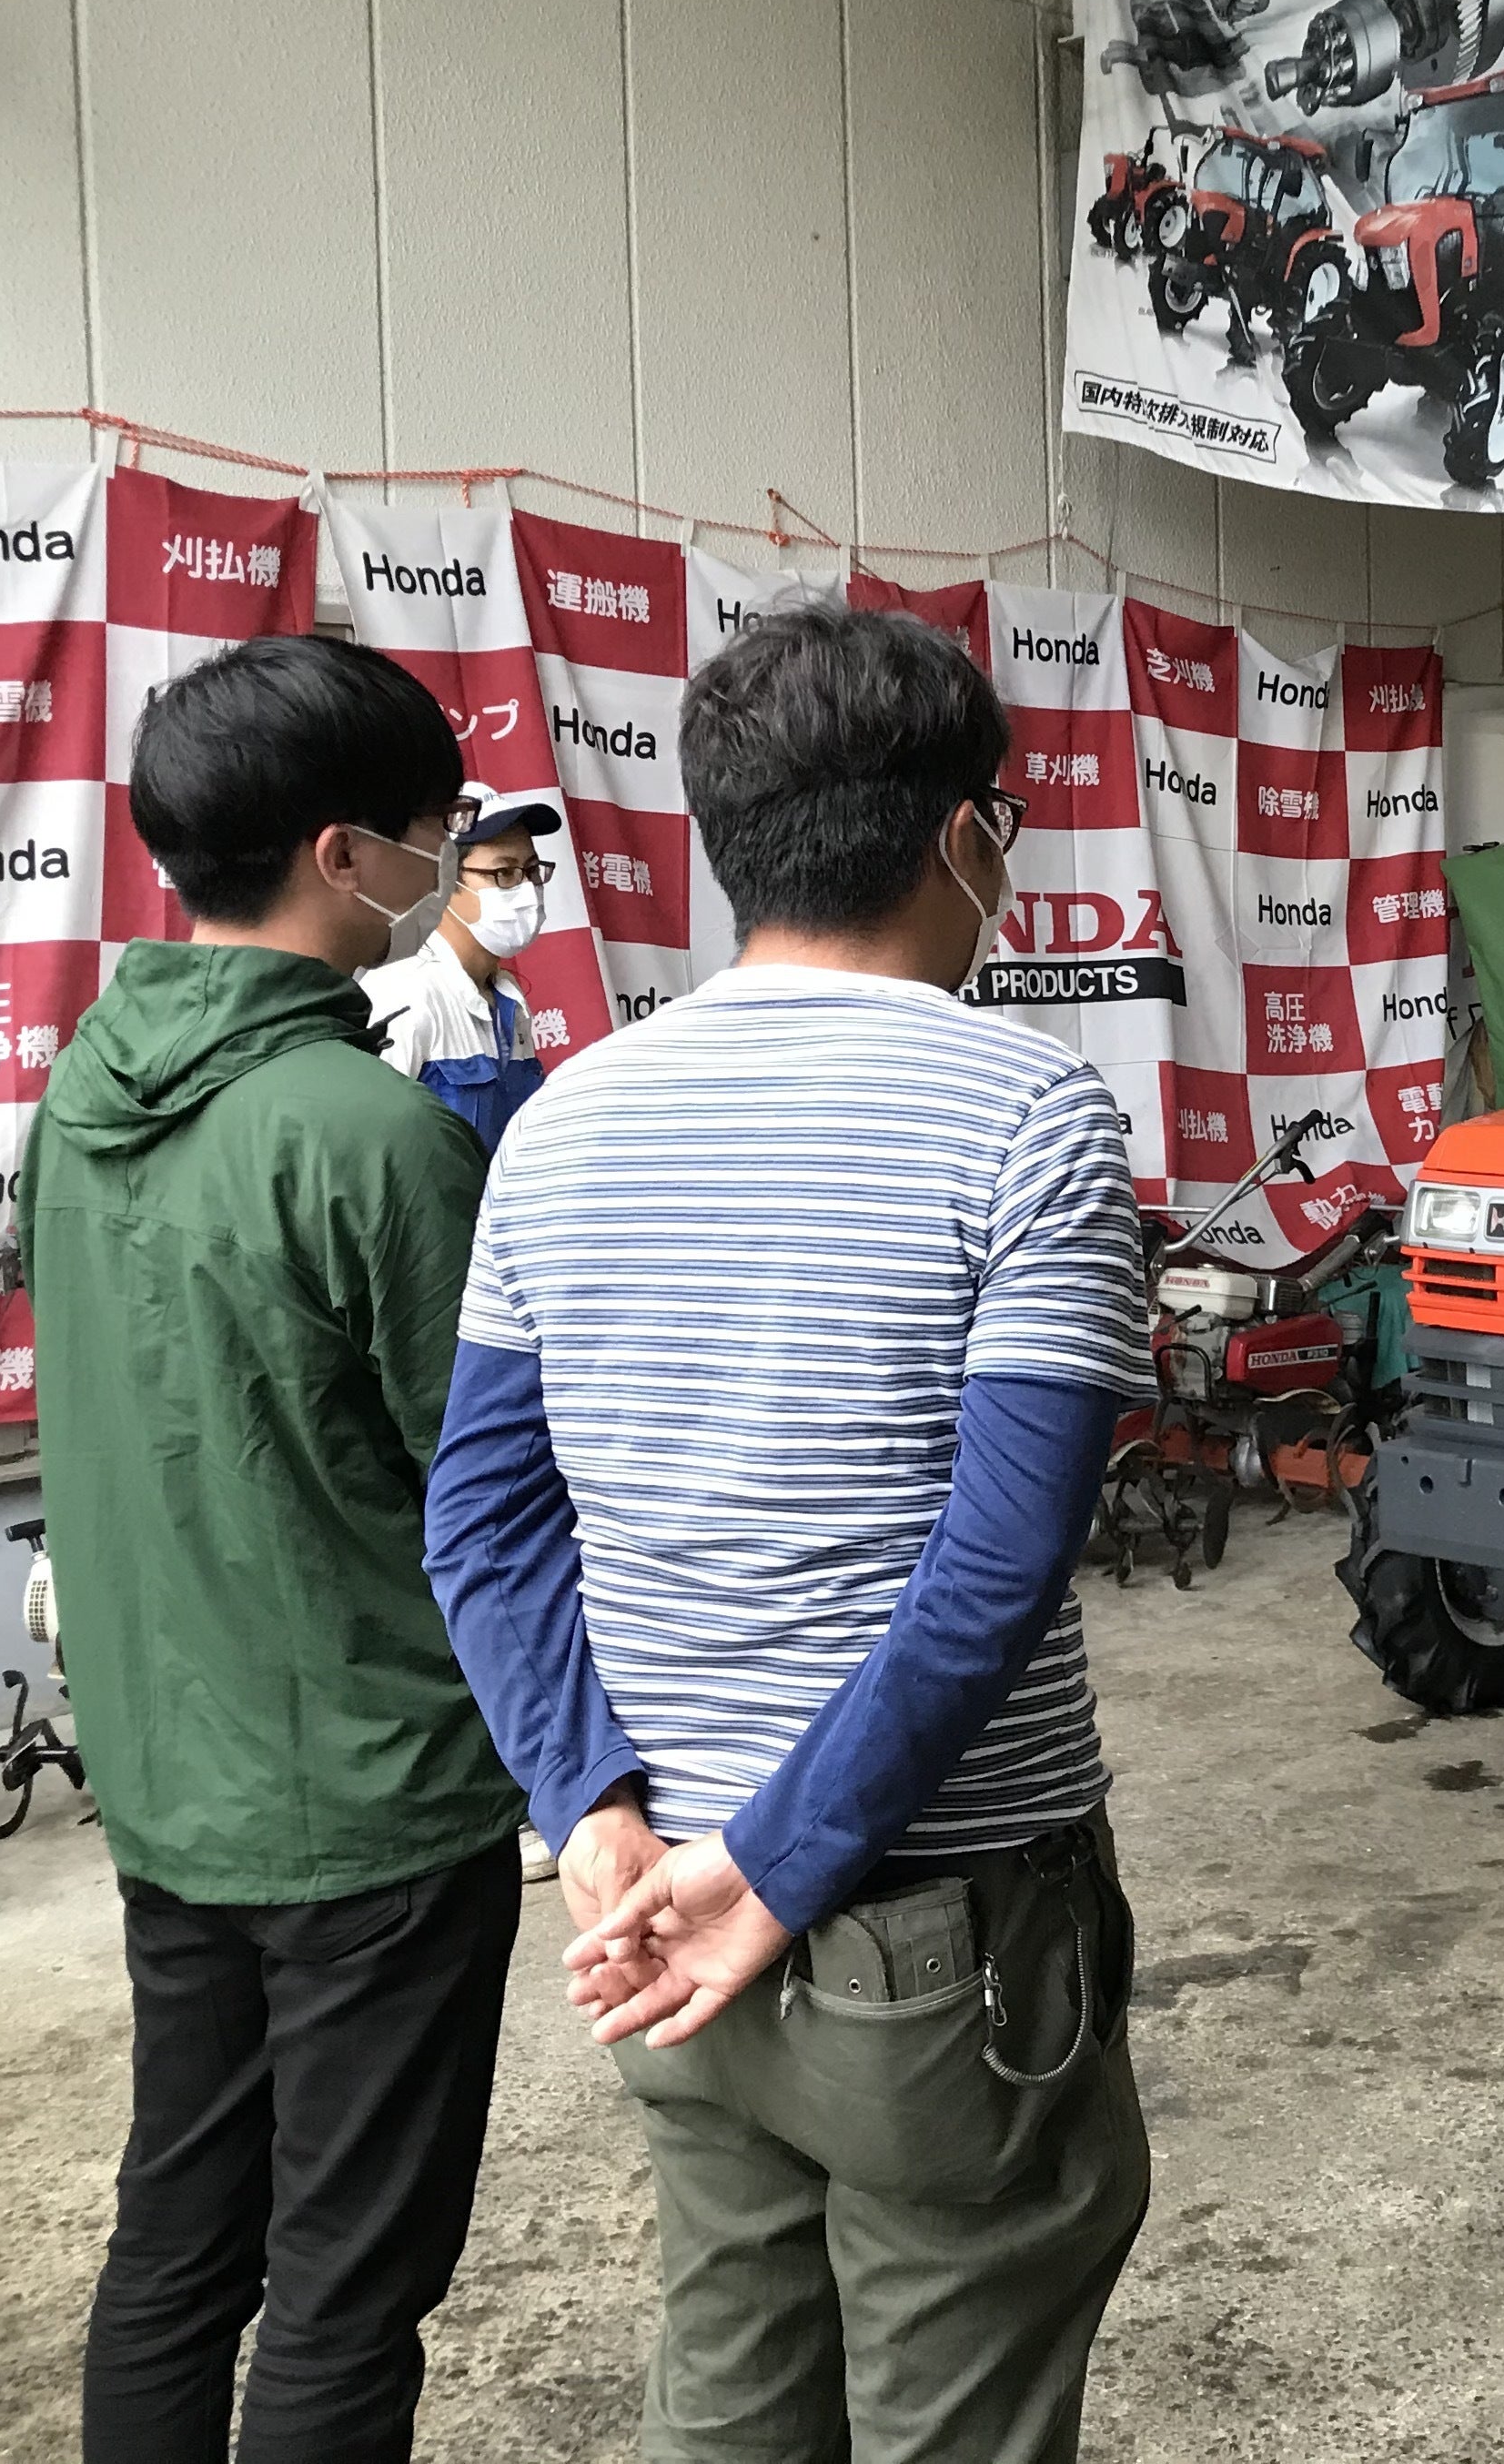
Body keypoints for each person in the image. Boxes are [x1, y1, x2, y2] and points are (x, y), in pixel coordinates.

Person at [423, 591, 1153, 2463]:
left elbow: (482, 1523)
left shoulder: (564, 1123)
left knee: (733, 2384)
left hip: (657, 1900)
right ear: (965, 834)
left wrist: (593, 1807)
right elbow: (995, 1565)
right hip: (929, 1923)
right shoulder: (1034, 1115)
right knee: (958, 2401)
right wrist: (776, 1866)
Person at [22, 634, 528, 2464]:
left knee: (177, 2235)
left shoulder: (80, 1097)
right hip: (372, 1799)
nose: (453, 862)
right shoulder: (370, 1134)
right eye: (436, 830)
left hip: (172, 1775)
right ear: (344, 853)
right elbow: (488, 1489)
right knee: (343, 2287)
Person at [366, 797, 560, 1151]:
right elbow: (365, 1149)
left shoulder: (508, 999)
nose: (528, 891)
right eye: (505, 874)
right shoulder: (403, 995)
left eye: (532, 871)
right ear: (442, 878)